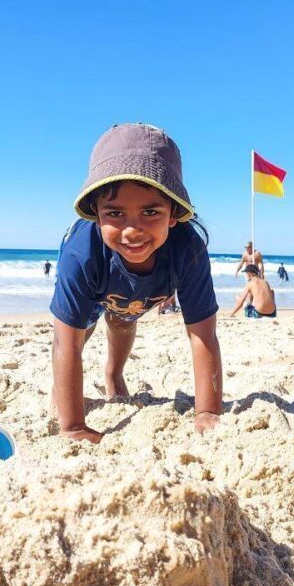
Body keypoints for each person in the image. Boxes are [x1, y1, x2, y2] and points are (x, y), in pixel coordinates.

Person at [49, 123, 221, 443]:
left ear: (173, 213)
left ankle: (113, 374)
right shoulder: (81, 255)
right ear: (95, 214)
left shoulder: (188, 250)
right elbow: (65, 343)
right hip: (99, 283)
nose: (132, 230)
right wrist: (73, 426)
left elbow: (203, 336)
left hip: (145, 293)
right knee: (81, 327)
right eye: (114, 213)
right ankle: (61, 392)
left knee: (123, 320)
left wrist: (207, 412)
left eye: (150, 211)